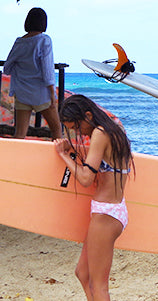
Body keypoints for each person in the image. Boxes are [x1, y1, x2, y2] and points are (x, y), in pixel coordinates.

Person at [54, 94, 133, 301]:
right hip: (111, 210)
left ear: (88, 115)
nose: (79, 134)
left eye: (78, 128)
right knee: (83, 273)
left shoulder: (100, 132)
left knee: (99, 286)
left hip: (106, 214)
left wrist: (64, 155)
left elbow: (86, 178)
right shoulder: (115, 127)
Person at [3, 7, 63, 140]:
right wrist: (52, 95)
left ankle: (12, 160)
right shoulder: (44, 40)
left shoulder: (19, 42)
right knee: (57, 129)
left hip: (22, 92)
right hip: (41, 93)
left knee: (19, 134)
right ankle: (57, 159)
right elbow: (47, 71)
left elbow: (7, 68)